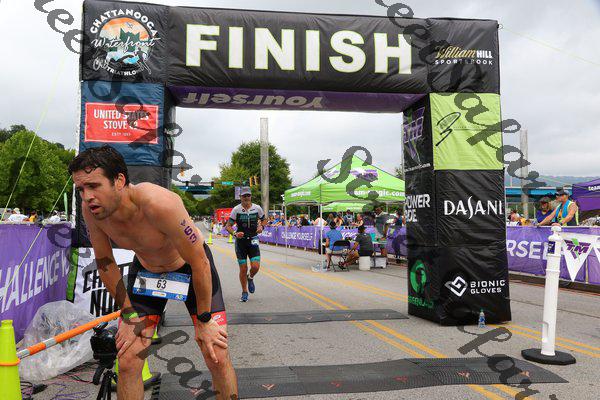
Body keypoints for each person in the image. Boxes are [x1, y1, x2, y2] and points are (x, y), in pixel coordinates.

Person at [69, 145, 237, 400]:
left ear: (119, 181)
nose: (87, 196)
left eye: (93, 186)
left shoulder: (158, 203)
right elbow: (105, 263)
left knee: (216, 354)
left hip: (190, 269)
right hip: (147, 274)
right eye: (81, 189)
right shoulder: (92, 211)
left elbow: (200, 262)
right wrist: (129, 315)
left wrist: (204, 320)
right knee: (128, 359)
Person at [226, 187, 266, 303]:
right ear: (240, 197)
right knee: (243, 268)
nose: (246, 198)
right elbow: (228, 226)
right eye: (244, 196)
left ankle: (251, 277)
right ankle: (244, 292)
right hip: (241, 242)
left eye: (248, 195)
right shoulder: (236, 210)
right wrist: (235, 233)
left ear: (251, 196)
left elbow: (264, 219)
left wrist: (262, 226)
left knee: (255, 267)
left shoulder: (257, 208)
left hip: (253, 239)